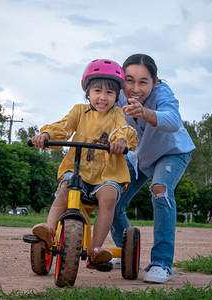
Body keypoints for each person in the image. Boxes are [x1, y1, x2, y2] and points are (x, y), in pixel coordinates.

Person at [31, 59, 138, 269]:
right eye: (97, 90)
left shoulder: (117, 114)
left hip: (108, 173)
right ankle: (49, 231)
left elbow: (125, 130)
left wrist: (121, 141)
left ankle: (96, 251)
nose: (102, 97)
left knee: (108, 197)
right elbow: (64, 126)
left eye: (109, 92)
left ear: (117, 96)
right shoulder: (79, 111)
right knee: (65, 189)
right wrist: (46, 134)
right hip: (78, 169)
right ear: (87, 91)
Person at [109, 54, 195, 283]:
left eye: (143, 82)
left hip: (172, 151)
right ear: (121, 79)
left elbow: (173, 120)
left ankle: (162, 263)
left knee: (160, 189)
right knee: (111, 197)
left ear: (154, 82)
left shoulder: (162, 93)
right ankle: (127, 254)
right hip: (141, 153)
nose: (135, 88)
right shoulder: (116, 94)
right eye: (129, 80)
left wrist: (144, 112)